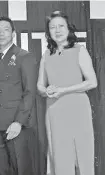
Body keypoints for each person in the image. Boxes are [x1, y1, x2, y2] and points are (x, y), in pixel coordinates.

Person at [37, 11, 97, 175]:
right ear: (48, 32)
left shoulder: (80, 50)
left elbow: (92, 82)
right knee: (60, 157)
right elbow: (40, 86)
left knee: (83, 155)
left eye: (61, 26)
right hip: (55, 111)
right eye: (52, 27)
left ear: (68, 29)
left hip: (78, 109)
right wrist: (46, 90)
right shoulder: (46, 55)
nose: (57, 30)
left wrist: (64, 90)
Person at [0, 16, 37, 175]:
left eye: (6, 30)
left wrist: (19, 122)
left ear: (13, 33)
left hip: (14, 123)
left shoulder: (24, 56)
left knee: (20, 168)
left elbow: (29, 92)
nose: (1, 34)